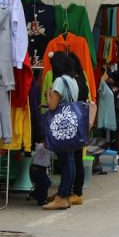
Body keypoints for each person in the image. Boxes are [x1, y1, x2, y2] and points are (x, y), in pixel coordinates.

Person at [43, 51, 79, 210]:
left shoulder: (59, 81)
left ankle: (62, 196)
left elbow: (52, 106)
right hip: (70, 124)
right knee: (70, 160)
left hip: (61, 125)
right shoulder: (73, 80)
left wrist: (48, 94)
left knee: (66, 161)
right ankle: (66, 194)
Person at [67, 52, 90, 205]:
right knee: (76, 157)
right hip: (80, 121)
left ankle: (76, 192)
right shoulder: (82, 78)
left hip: (73, 121)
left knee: (73, 158)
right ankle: (74, 191)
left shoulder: (72, 81)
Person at [28, 141, 52, 206]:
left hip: (42, 169)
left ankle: (36, 194)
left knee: (44, 183)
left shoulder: (50, 146)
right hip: (36, 168)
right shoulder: (40, 146)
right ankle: (41, 199)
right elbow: (37, 149)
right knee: (45, 183)